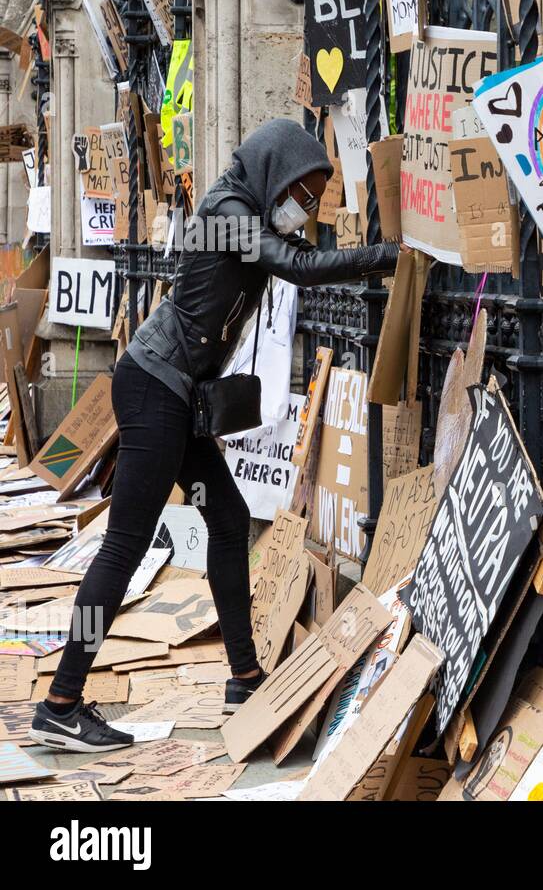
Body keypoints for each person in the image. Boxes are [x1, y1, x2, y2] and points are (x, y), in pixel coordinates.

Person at [28, 119, 399, 752]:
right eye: (301, 195)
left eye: (313, 201)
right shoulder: (227, 211)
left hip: (176, 395)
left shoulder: (242, 212)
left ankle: (245, 677)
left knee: (226, 521)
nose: (305, 210)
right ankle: (62, 701)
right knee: (123, 546)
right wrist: (387, 256)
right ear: (272, 173)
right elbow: (296, 267)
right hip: (152, 390)